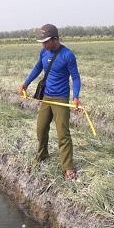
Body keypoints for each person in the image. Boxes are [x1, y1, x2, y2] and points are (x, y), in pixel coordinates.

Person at [19, 23, 81, 180]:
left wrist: (76, 97)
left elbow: (75, 77)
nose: (44, 45)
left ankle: (68, 167)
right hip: (46, 97)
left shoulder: (68, 55)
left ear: (55, 39)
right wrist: (26, 83)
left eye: (46, 42)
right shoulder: (43, 53)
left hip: (61, 99)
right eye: (42, 42)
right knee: (41, 128)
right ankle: (42, 155)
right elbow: (37, 69)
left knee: (63, 134)